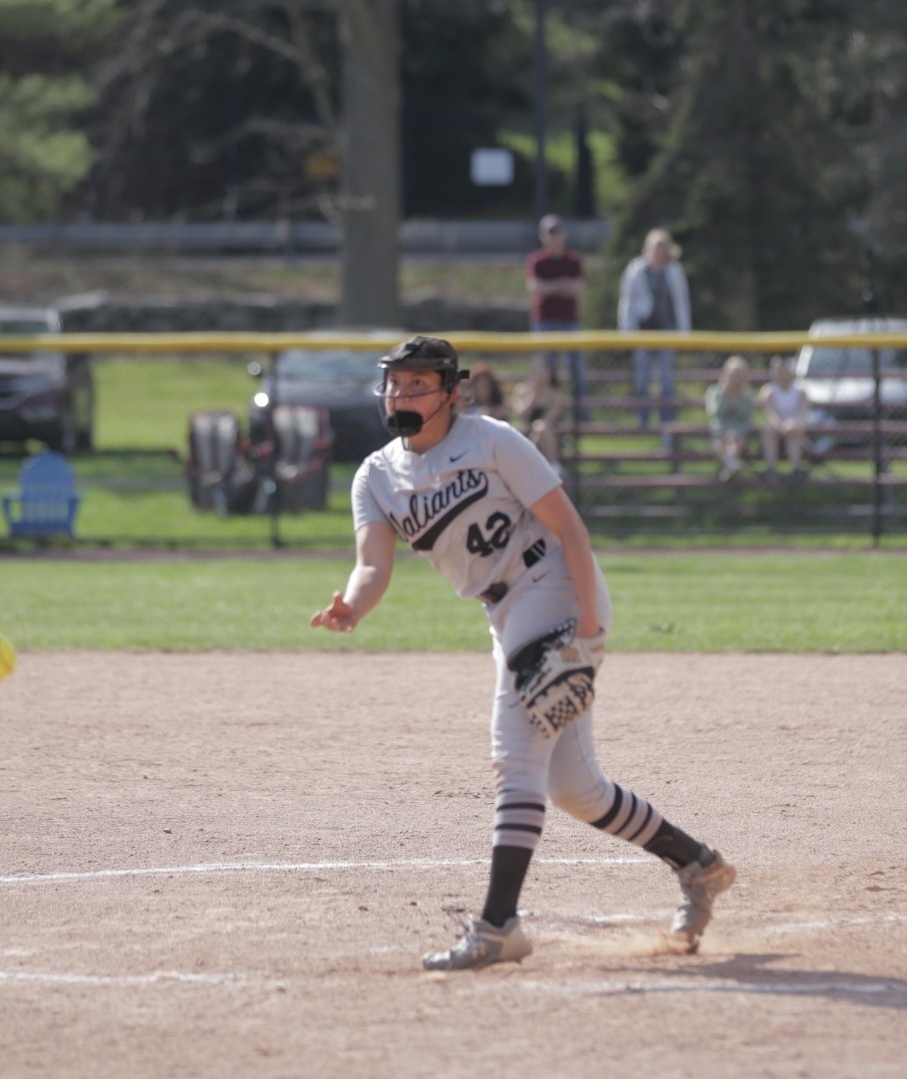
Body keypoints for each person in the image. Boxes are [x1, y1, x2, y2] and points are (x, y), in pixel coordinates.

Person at [310, 335, 735, 972]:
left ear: (451, 394)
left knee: (514, 754)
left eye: (418, 384)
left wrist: (587, 628)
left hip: (558, 590)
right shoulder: (376, 476)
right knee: (574, 787)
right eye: (396, 383)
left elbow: (571, 529)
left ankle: (499, 924)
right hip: (504, 614)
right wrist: (351, 603)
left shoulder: (491, 440)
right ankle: (697, 865)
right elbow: (372, 565)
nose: (402, 394)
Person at [616, 227, 692, 428]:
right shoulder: (636, 270)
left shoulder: (674, 271)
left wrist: (685, 334)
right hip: (643, 332)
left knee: (667, 378)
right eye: (655, 247)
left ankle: (667, 422)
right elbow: (627, 304)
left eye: (662, 247)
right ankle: (643, 422)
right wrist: (626, 334)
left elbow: (681, 302)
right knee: (642, 379)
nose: (658, 252)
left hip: (666, 332)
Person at [525, 214, 587, 417]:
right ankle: (547, 413)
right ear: (543, 236)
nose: (554, 237)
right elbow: (535, 288)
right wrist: (562, 285)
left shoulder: (573, 259)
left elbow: (578, 289)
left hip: (569, 321)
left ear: (563, 234)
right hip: (544, 321)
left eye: (557, 233)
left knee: (576, 368)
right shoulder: (537, 260)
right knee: (545, 370)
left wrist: (551, 287)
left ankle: (581, 412)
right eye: (550, 233)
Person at [509, 353, 567, 464]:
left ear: (550, 373)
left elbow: (549, 420)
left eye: (543, 370)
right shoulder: (521, 391)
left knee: (540, 427)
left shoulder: (556, 395)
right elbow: (522, 415)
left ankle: (554, 466)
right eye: (536, 370)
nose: (539, 374)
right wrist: (534, 394)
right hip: (525, 432)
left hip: (549, 435)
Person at [705, 355, 756, 482]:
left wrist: (736, 401)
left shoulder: (747, 394)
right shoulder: (716, 392)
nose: (736, 379)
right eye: (734, 374)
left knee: (735, 444)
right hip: (720, 429)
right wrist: (726, 395)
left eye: (739, 374)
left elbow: (746, 416)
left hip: (739, 432)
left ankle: (728, 471)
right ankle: (731, 467)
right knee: (717, 445)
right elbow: (715, 412)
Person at [758, 354, 810, 473]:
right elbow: (769, 413)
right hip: (776, 426)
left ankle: (796, 469)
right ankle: (771, 469)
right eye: (777, 370)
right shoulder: (768, 391)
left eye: (783, 369)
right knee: (767, 429)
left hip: (794, 426)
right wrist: (780, 425)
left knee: (797, 430)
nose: (781, 373)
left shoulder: (800, 390)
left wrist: (793, 423)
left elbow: (803, 413)